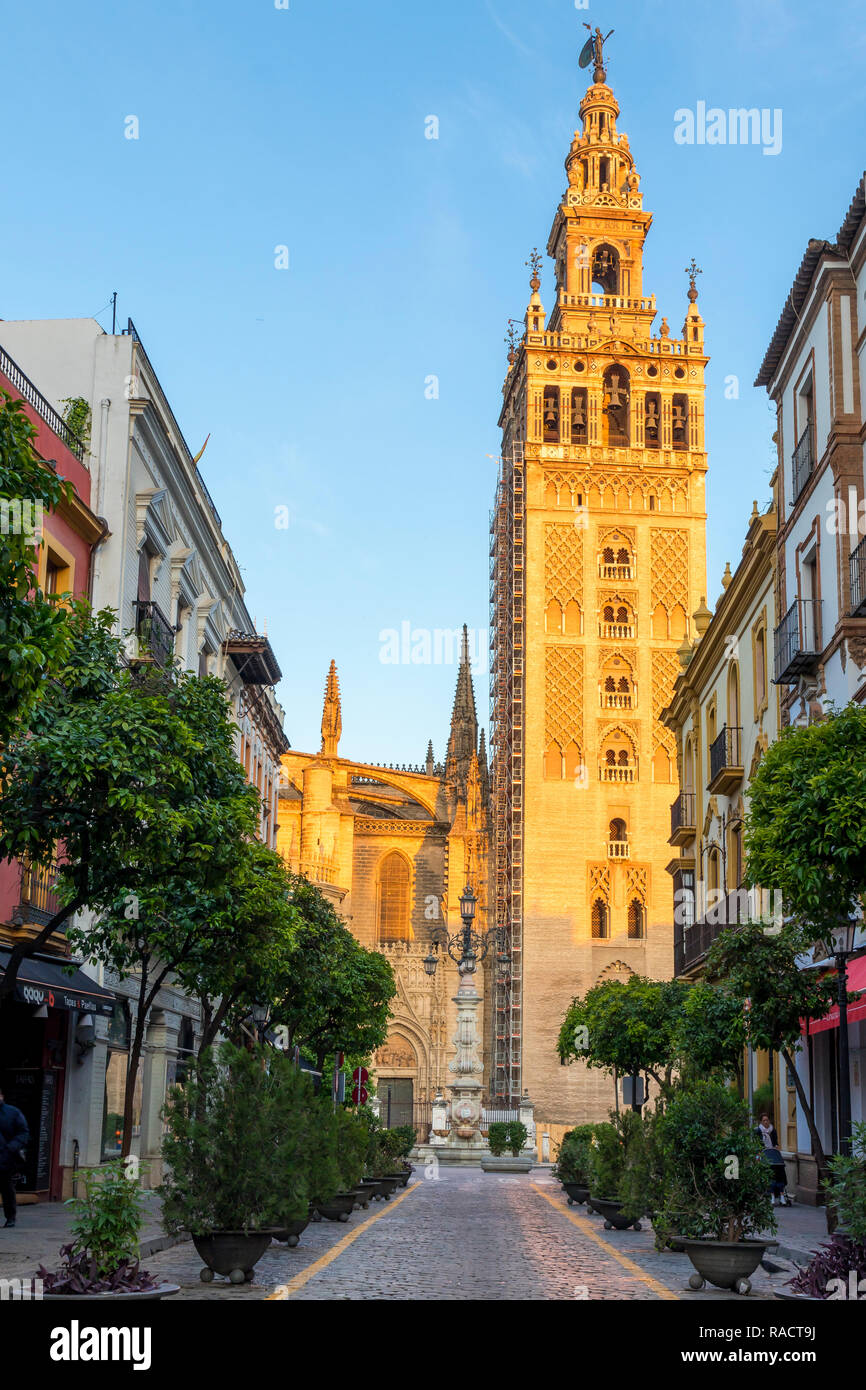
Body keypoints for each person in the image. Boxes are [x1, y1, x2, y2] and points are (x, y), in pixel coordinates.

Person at [0, 1085, 29, 1228]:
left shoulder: (12, 1113)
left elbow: (24, 1133)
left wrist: (11, 1148)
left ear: (1, 1096)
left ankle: (10, 1217)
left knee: (7, 1189)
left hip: (6, 1157)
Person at [756, 1112, 790, 1206]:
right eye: (764, 1120)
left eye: (767, 1120)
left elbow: (776, 1143)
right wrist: (758, 1155)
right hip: (764, 1154)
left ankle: (781, 1196)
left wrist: (776, 1147)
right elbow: (756, 1144)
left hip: (773, 1155)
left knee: (779, 1173)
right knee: (769, 1175)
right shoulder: (758, 1131)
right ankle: (771, 1196)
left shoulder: (773, 1130)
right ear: (761, 1121)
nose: (766, 1122)